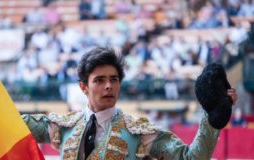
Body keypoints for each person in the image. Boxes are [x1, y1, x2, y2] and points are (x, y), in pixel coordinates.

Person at [22, 47, 237, 159]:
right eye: (99, 80)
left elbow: (190, 159)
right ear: (83, 87)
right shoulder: (61, 126)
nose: (108, 86)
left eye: (113, 80)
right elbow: (7, 123)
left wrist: (211, 117)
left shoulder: (139, 132)